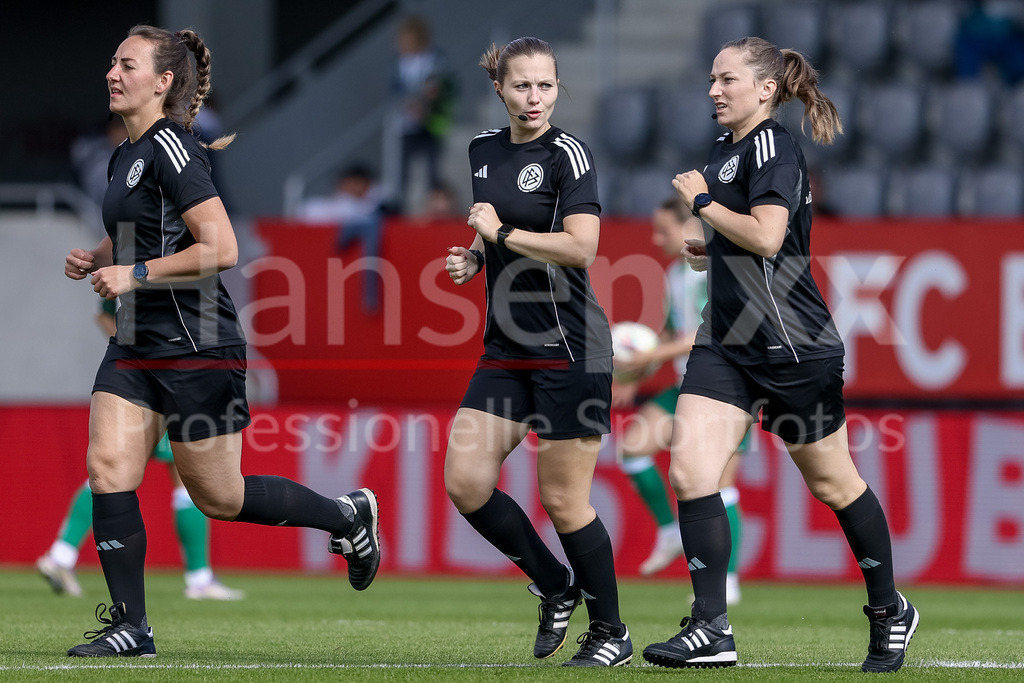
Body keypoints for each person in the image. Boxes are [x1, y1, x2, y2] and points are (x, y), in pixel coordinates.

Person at [62, 25, 380, 658]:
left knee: (220, 497)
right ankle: (131, 626)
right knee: (107, 469)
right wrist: (98, 255)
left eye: (127, 64)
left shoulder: (175, 148)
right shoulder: (126, 154)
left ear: (163, 81)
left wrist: (135, 273)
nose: (112, 73)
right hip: (135, 343)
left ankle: (347, 516)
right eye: (113, 62)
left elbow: (223, 247)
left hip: (198, 343)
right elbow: (139, 227)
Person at [641, 37, 919, 672]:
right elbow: (758, 240)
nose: (714, 90)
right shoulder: (725, 148)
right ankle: (711, 627)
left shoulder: (773, 146)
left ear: (766, 89)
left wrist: (703, 204)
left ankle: (888, 609)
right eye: (712, 79)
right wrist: (711, 247)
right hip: (726, 342)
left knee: (833, 483)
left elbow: (768, 238)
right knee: (690, 473)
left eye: (727, 79)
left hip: (792, 345)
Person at [443, 37, 631, 667]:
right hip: (506, 347)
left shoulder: (568, 154)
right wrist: (476, 256)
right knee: (466, 481)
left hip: (570, 345)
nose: (535, 97)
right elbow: (495, 231)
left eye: (545, 85)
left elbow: (582, 247)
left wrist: (500, 234)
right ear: (499, 88)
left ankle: (611, 631)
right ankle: (555, 585)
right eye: (522, 85)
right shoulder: (482, 149)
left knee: (564, 501)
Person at [37, 300, 243, 601]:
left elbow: (102, 313)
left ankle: (61, 555)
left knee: (111, 473)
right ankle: (199, 579)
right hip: (168, 379)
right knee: (183, 479)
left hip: (140, 380)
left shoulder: (127, 271)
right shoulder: (160, 274)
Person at [611, 198, 744, 597]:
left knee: (718, 483)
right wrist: (637, 372)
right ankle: (670, 533)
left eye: (663, 230)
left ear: (690, 227)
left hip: (728, 384)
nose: (656, 238)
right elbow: (672, 333)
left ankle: (729, 581)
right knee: (633, 448)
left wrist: (647, 357)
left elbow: (709, 332)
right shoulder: (674, 273)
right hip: (688, 384)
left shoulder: (712, 271)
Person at [298, 163, 385, 314]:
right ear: (343, 183)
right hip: (317, 267)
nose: (358, 188)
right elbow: (306, 213)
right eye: (355, 183)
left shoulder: (371, 207)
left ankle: (370, 297)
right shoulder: (322, 206)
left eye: (363, 184)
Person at [393, 15, 456, 212]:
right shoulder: (399, 63)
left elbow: (445, 86)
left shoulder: (436, 59)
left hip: (432, 120)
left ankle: (434, 206)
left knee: (432, 168)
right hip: (408, 122)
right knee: (404, 169)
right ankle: (401, 208)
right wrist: (408, 105)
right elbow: (395, 90)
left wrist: (429, 101)